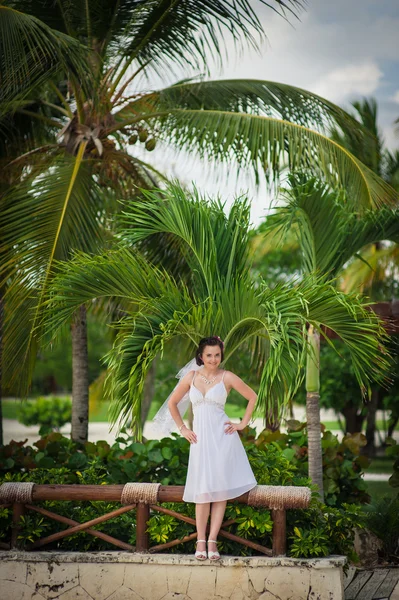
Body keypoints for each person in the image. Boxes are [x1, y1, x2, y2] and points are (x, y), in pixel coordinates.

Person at [167, 336, 257, 561]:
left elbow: (253, 397)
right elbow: (172, 402)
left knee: (219, 491)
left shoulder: (227, 377)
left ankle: (212, 541)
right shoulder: (191, 377)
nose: (213, 359)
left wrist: (241, 424)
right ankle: (200, 540)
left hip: (222, 439)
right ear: (201, 356)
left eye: (217, 355)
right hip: (200, 441)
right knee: (203, 491)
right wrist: (182, 429)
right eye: (209, 355)